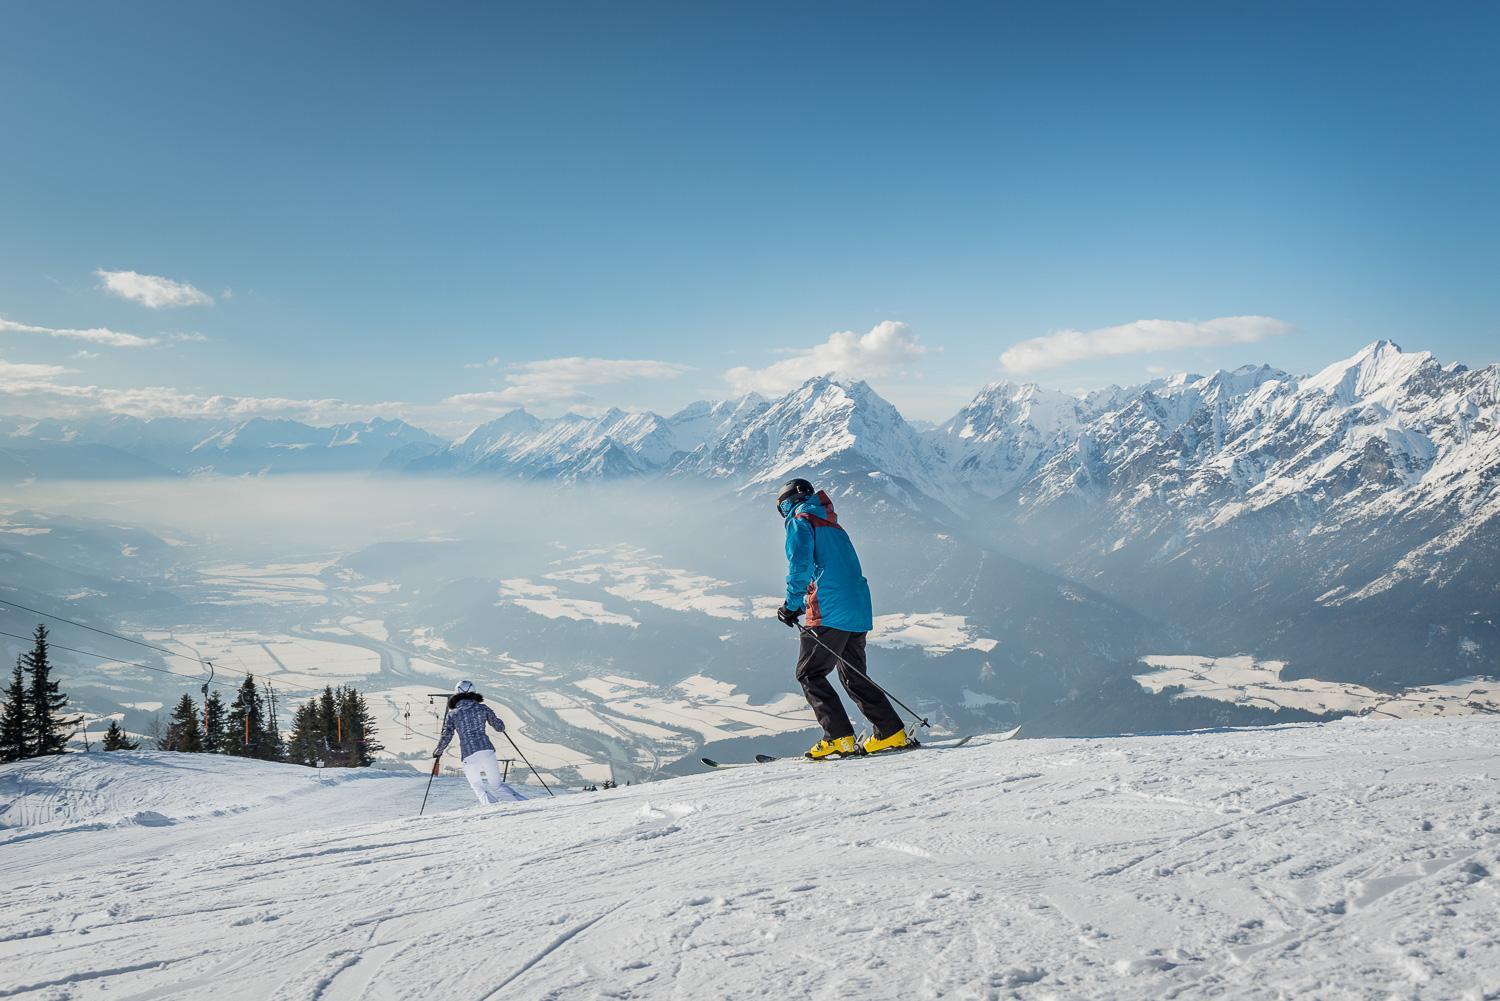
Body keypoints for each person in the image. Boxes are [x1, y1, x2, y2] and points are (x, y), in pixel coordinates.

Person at [774, 478, 907, 759]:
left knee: (809, 673)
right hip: (857, 607)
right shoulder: (832, 523)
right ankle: (890, 731)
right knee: (854, 675)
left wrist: (791, 605)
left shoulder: (801, 521)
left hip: (828, 608)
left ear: (786, 503)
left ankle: (838, 738)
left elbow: (800, 565)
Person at [433, 681, 520, 805]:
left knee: (477, 785)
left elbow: (447, 735)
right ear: (473, 692)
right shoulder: (482, 708)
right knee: (497, 785)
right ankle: (523, 803)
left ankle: (491, 807)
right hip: (487, 750)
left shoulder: (453, 714)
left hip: (469, 754)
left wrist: (438, 751)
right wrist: (496, 720)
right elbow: (499, 727)